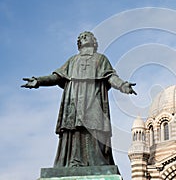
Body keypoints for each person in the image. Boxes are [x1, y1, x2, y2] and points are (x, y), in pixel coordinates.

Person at [22, 31, 136, 167]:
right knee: (73, 129)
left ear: (94, 42)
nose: (83, 37)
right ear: (78, 44)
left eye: (87, 36)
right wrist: (39, 81)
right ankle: (73, 161)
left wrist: (123, 85)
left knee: (95, 127)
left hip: (94, 98)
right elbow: (57, 76)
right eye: (81, 37)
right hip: (73, 99)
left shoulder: (101, 59)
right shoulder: (72, 61)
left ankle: (97, 163)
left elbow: (110, 77)